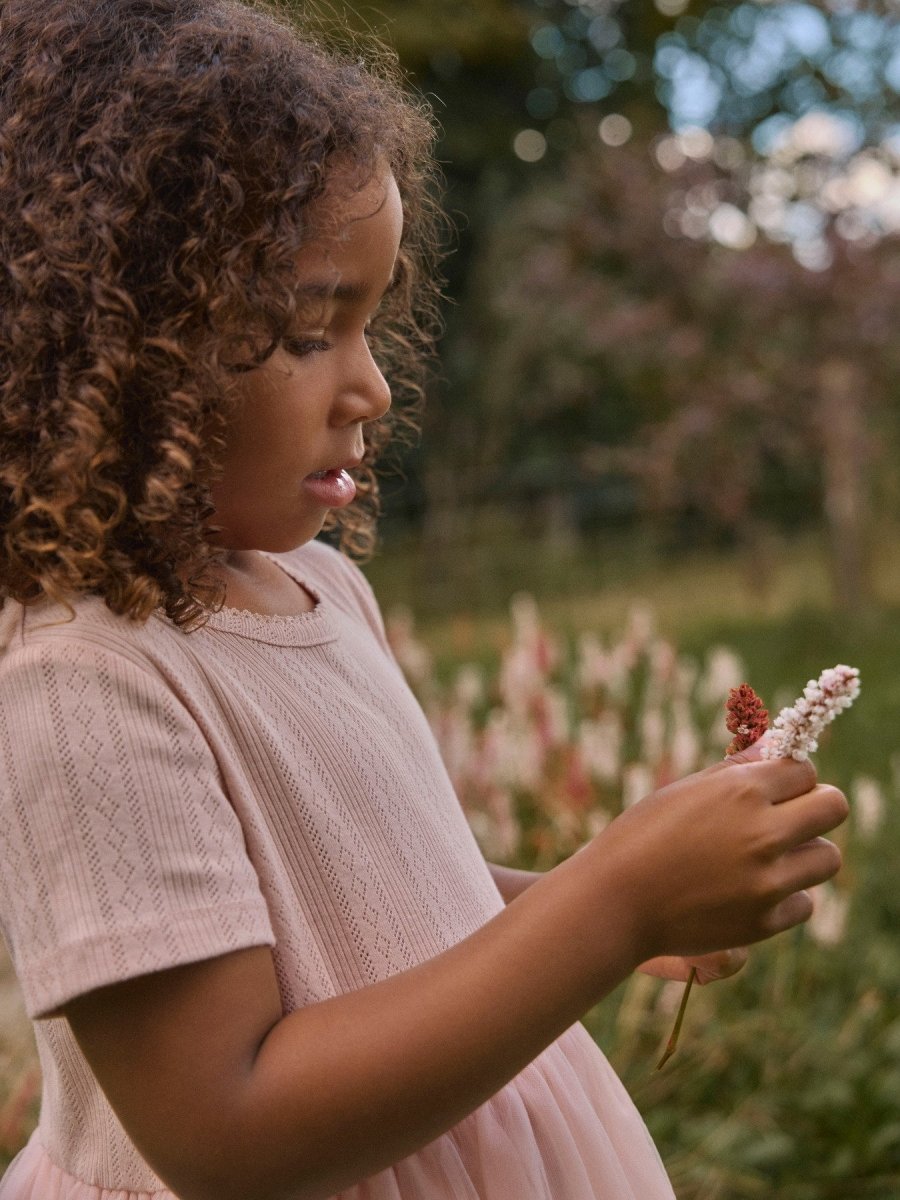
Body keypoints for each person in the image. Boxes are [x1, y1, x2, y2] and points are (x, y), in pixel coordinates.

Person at [0, 2, 849, 1198]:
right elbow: (226, 1130)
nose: (373, 386)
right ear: (116, 350)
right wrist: (609, 908)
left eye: (370, 318)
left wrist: (621, 896)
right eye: (308, 329)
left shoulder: (324, 591)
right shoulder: (83, 682)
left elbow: (399, 898)